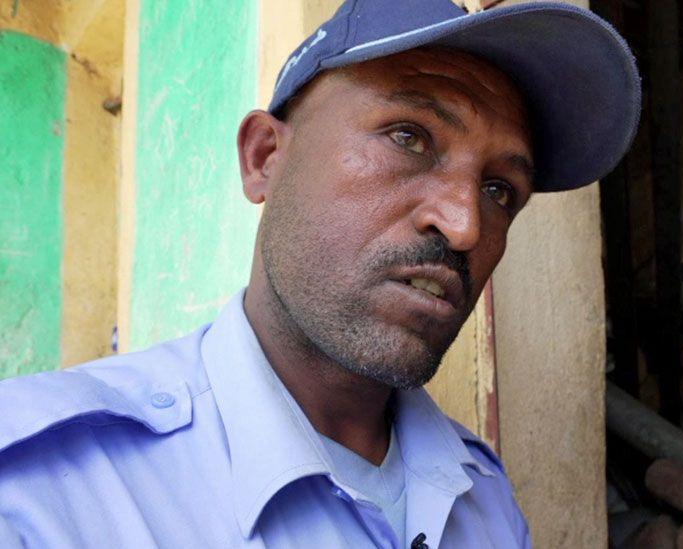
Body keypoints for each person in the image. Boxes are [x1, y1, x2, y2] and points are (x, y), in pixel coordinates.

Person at [0, 0, 639, 547]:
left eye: (500, 188)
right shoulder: (46, 493)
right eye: (410, 138)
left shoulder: (485, 497)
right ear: (264, 158)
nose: (465, 225)